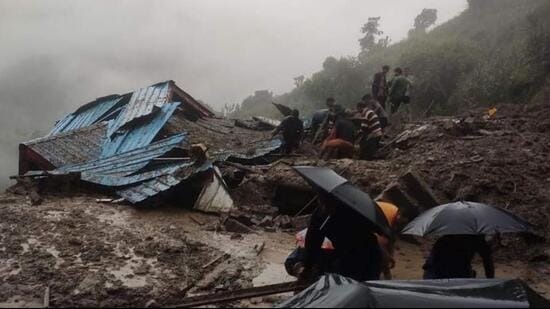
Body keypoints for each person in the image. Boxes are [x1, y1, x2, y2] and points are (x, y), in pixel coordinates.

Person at [298, 193, 383, 282]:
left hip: (365, 256)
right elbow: (313, 242)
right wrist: (307, 268)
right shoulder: (321, 215)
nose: (322, 203)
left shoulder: (351, 212)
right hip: (347, 254)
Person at [423, 235, 495, 280]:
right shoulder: (476, 239)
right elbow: (487, 260)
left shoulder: (444, 239)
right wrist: (491, 282)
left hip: (433, 275)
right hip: (451, 275)